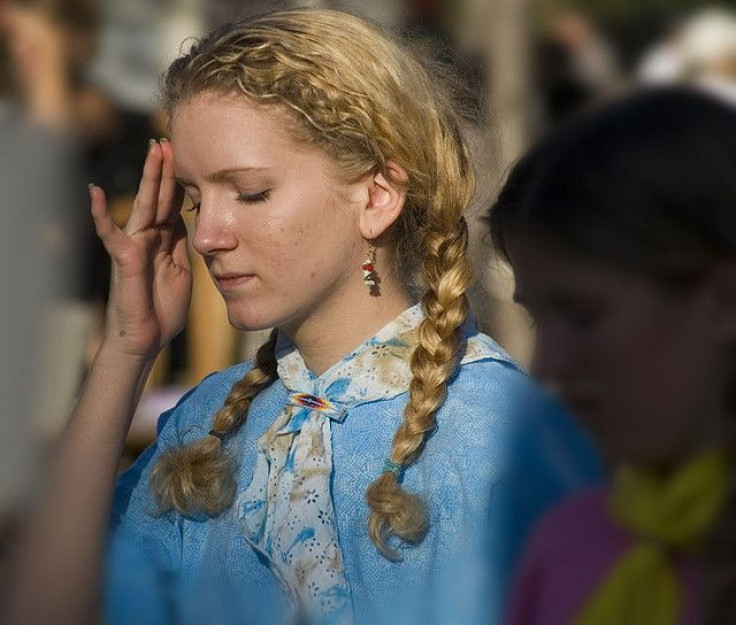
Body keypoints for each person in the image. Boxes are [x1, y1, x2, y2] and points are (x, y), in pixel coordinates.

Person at [5, 9, 601, 625]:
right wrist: (127, 351)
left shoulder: (501, 436)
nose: (207, 234)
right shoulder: (211, 426)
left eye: (251, 193)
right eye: (193, 199)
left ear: (376, 196)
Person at [488, 88, 736, 625]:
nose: (548, 367)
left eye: (584, 316)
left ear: (722, 300)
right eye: (538, 317)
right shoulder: (567, 549)